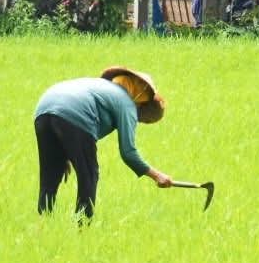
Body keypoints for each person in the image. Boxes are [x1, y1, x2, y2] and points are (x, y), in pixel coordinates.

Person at [35, 66, 173, 220]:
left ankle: (43, 223)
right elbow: (128, 153)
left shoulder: (103, 88)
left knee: (50, 173)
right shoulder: (127, 104)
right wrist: (156, 175)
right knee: (89, 174)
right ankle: (82, 227)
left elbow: (63, 118)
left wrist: (64, 153)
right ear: (142, 103)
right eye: (143, 121)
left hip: (44, 106)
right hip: (74, 112)